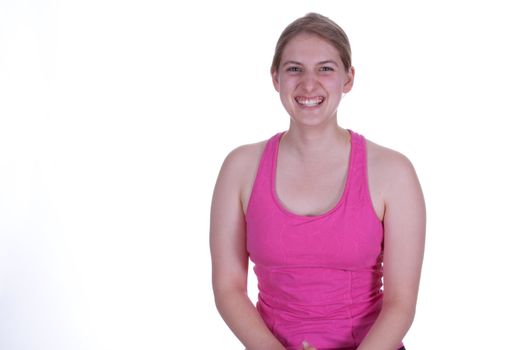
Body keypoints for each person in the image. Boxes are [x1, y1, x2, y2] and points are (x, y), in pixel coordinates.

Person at [210, 12, 426, 350]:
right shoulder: (240, 168)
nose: (309, 84)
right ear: (275, 78)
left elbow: (401, 303)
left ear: (348, 78)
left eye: (325, 68)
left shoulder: (393, 172)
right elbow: (228, 288)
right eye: (294, 69)